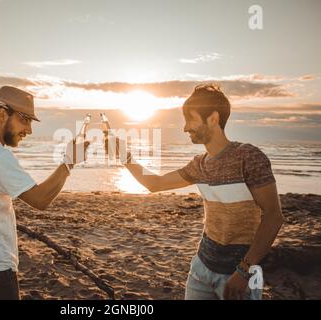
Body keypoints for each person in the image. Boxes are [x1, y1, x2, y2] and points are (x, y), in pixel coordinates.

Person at [121, 84, 284, 300]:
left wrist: (244, 271)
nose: (185, 128)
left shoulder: (248, 157)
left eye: (190, 119)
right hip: (201, 270)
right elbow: (156, 184)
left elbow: (273, 216)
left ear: (213, 119)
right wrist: (124, 157)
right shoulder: (199, 165)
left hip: (240, 275)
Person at [0, 86, 88, 300]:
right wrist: (68, 163)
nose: (29, 130)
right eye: (25, 120)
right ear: (3, 114)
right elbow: (40, 199)